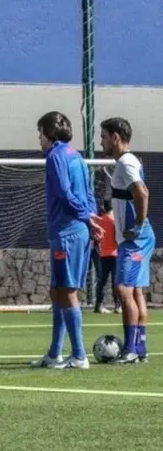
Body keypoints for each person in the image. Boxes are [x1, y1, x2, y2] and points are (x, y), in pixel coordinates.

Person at [30, 111, 101, 370]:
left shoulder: (56, 156)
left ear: (49, 133)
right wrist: (91, 218)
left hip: (68, 232)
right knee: (57, 290)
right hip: (76, 229)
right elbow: (90, 193)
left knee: (67, 291)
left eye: (40, 132)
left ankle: (79, 355)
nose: (38, 138)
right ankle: (54, 353)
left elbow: (63, 192)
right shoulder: (77, 156)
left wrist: (86, 217)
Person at [100, 117, 153, 363]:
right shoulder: (126, 162)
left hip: (135, 239)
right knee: (136, 293)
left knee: (123, 290)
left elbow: (142, 192)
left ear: (115, 137)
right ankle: (139, 350)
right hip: (136, 238)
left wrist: (138, 227)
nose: (101, 142)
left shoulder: (125, 162)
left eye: (103, 137)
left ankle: (131, 350)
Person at [92, 199, 119, 314]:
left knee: (102, 281)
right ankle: (117, 306)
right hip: (115, 254)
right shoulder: (115, 220)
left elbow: (96, 235)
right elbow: (117, 238)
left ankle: (98, 305)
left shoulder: (100, 220)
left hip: (103, 254)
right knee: (115, 281)